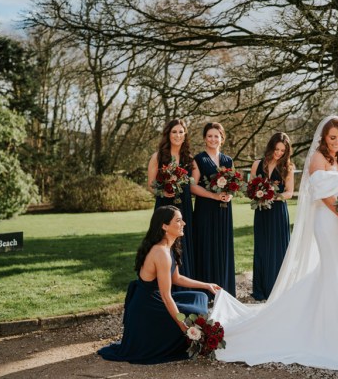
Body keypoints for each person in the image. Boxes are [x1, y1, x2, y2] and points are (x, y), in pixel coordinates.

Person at [209, 116, 338, 372]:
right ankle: (330, 329)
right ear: (323, 137)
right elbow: (326, 197)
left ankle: (331, 323)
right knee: (330, 269)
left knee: (337, 270)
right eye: (332, 138)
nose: (337, 142)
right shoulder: (318, 157)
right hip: (327, 219)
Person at [98, 205, 221, 364]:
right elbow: (166, 296)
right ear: (164, 226)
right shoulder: (161, 253)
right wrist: (184, 327)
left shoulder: (170, 246)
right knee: (194, 313)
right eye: (178, 220)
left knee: (200, 297)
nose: (183, 223)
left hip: (157, 298)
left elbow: (176, 278)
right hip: (147, 307)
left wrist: (206, 285)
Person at [190, 122, 236, 296]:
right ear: (204, 138)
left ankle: (224, 289)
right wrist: (214, 196)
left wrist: (230, 194)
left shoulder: (228, 160)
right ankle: (207, 291)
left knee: (223, 246)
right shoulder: (198, 159)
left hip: (224, 210)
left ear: (222, 138)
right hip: (205, 209)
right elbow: (193, 187)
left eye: (216, 136)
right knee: (206, 246)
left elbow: (233, 184)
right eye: (209, 136)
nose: (213, 139)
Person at [147, 119, 195, 279]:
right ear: (168, 134)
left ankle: (184, 279)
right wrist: (162, 192)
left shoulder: (189, 158)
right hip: (165, 206)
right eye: (174, 132)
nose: (177, 135)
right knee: (164, 242)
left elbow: (194, 184)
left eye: (181, 132)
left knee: (183, 243)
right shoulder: (158, 157)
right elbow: (150, 185)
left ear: (185, 135)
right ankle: (163, 283)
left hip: (184, 206)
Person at [250, 132, 294, 301]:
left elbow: (289, 193)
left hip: (278, 212)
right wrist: (258, 194)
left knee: (277, 249)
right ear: (271, 147)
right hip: (261, 212)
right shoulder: (257, 164)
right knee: (261, 248)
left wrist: (271, 196)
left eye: (283, 150)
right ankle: (260, 289)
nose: (279, 153)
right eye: (276, 149)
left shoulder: (288, 167)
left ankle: (277, 289)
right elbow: (251, 188)